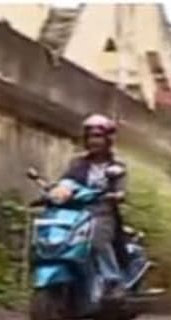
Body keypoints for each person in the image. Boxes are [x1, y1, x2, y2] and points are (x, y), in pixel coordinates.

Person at [60, 114, 128, 297]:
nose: (94, 141)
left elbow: (122, 189)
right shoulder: (77, 162)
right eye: (90, 136)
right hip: (75, 212)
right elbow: (66, 181)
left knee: (97, 240)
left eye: (98, 136)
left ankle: (112, 280)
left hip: (102, 213)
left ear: (108, 140)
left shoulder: (117, 165)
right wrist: (60, 190)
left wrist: (116, 195)